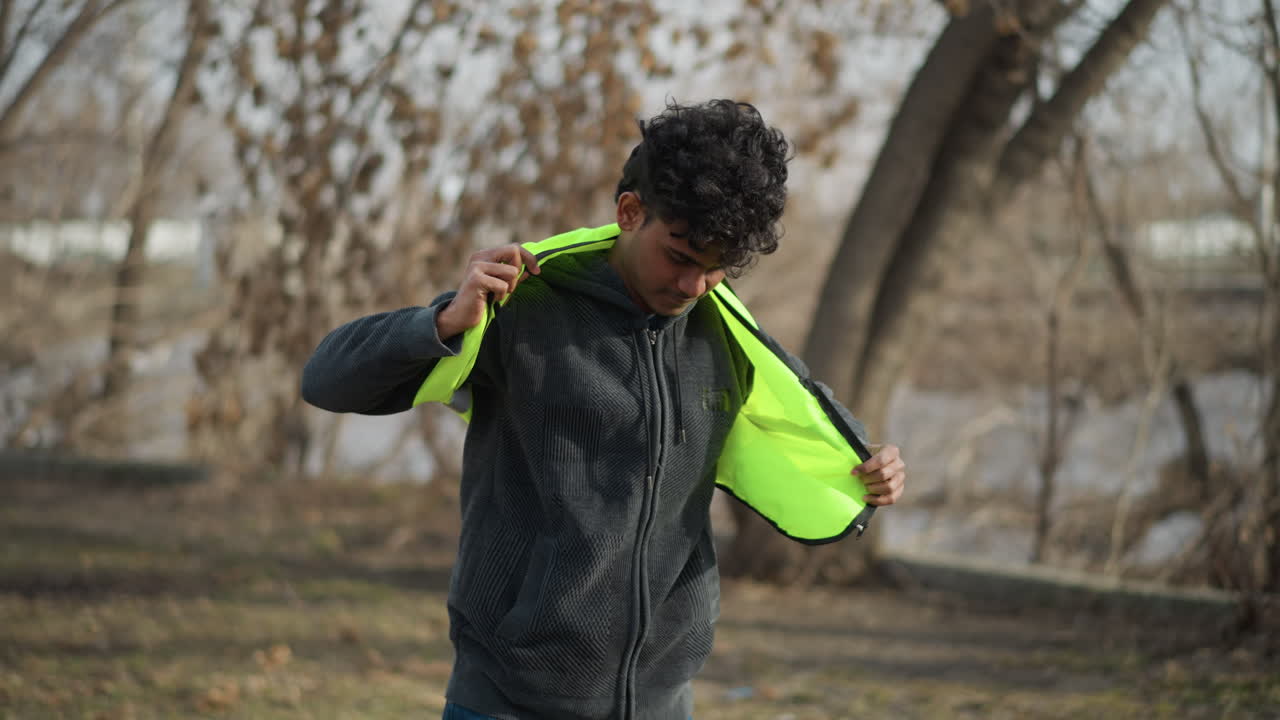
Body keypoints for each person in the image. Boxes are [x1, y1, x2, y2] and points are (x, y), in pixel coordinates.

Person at [301, 99, 906, 720]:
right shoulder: (521, 310)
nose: (693, 286)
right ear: (629, 212)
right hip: (507, 699)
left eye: (718, 269)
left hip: (661, 702)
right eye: (680, 255)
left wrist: (869, 465)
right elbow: (327, 379)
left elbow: (797, 422)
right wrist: (443, 322)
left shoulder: (725, 339)